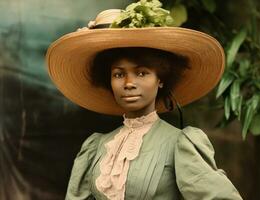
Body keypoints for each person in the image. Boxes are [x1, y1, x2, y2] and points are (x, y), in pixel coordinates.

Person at [46, 1, 243, 199]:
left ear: (160, 80)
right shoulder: (97, 147)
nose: (129, 83)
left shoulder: (179, 144)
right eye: (118, 74)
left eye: (142, 73)